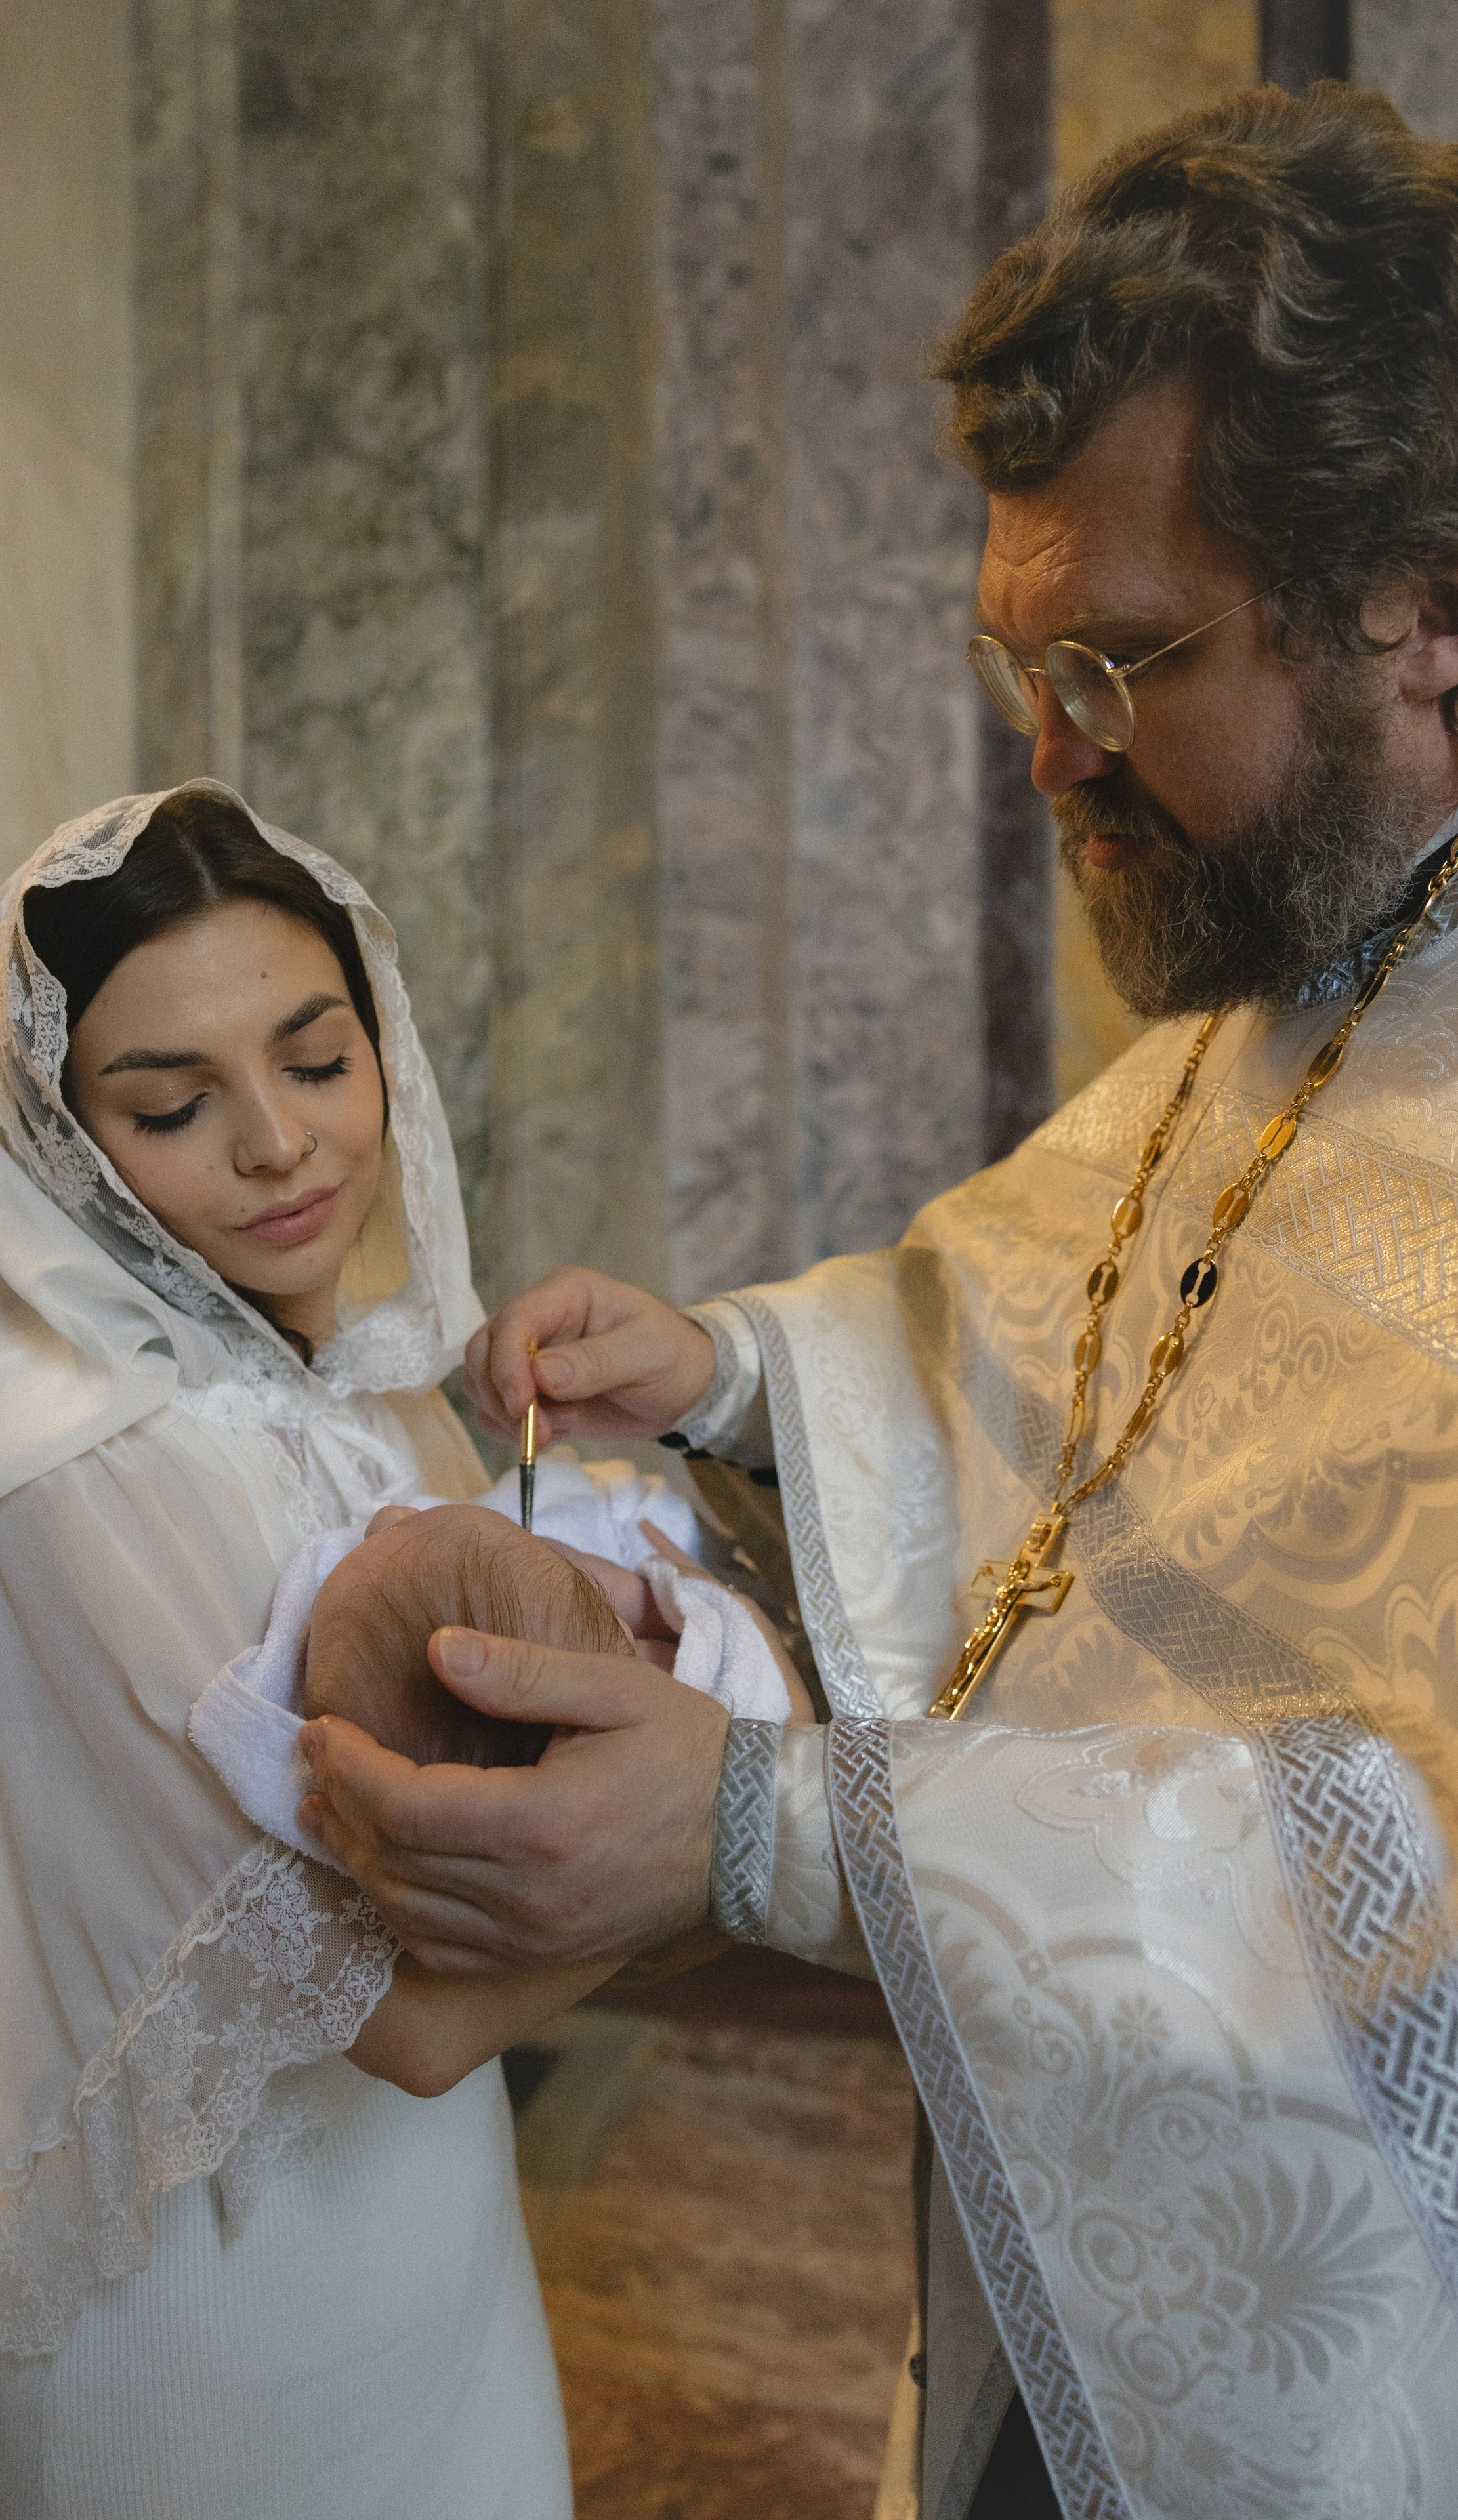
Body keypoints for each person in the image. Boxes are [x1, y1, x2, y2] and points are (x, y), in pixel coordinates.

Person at [297, 84, 1458, 2520]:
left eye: (1129, 662)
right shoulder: (1312, 969)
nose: (1052, 751)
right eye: (1014, 656)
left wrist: (757, 1832)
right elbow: (1059, 1320)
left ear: (1426, 612)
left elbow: (1403, 1871)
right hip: (1085, 2214)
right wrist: (728, 1376)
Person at [0, 780, 682, 2519]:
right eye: (175, 1102)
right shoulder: (94, 1460)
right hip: (218, 2330)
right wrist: (750, 1850)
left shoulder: (334, 1375)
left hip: (423, 2250)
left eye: (318, 1058)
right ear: (58, 1144)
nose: (279, 1144)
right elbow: (405, 2019)